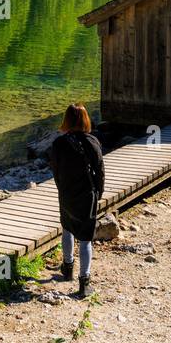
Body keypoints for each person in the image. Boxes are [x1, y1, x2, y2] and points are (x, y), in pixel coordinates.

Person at [49, 103, 105, 297]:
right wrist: (99, 192)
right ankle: (84, 282)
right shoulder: (92, 142)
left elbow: (55, 171)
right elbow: (100, 172)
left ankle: (67, 267)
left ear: (66, 120)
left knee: (67, 228)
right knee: (85, 238)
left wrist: (61, 188)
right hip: (87, 196)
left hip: (66, 193)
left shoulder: (58, 144)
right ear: (85, 120)